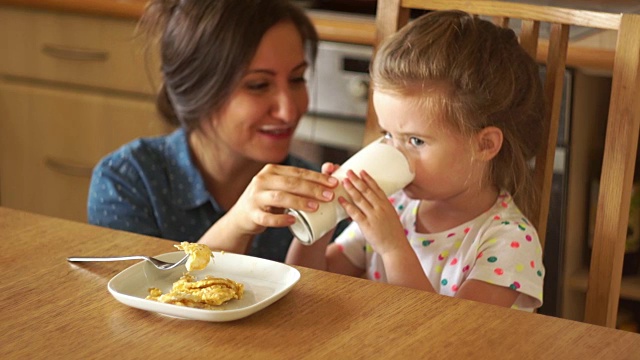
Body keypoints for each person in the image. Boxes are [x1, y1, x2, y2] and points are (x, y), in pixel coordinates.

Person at [286, 10, 545, 311]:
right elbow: (310, 284)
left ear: (484, 145)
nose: (395, 153)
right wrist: (324, 218)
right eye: (387, 134)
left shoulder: (507, 242)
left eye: (416, 141)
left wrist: (393, 248)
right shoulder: (395, 205)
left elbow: (452, 340)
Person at [88, 0, 340, 262]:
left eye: (297, 79)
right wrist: (237, 224)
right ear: (196, 88)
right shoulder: (127, 182)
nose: (288, 111)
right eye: (258, 85)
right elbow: (140, 294)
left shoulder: (318, 195)